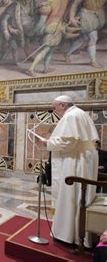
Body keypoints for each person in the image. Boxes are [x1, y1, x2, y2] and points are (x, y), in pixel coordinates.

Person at [42, 95, 98, 247]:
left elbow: (67, 141)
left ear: (63, 105)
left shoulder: (71, 116)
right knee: (77, 194)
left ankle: (69, 234)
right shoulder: (80, 113)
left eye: (55, 107)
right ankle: (77, 233)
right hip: (83, 158)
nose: (55, 110)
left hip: (76, 160)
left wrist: (47, 142)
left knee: (71, 194)